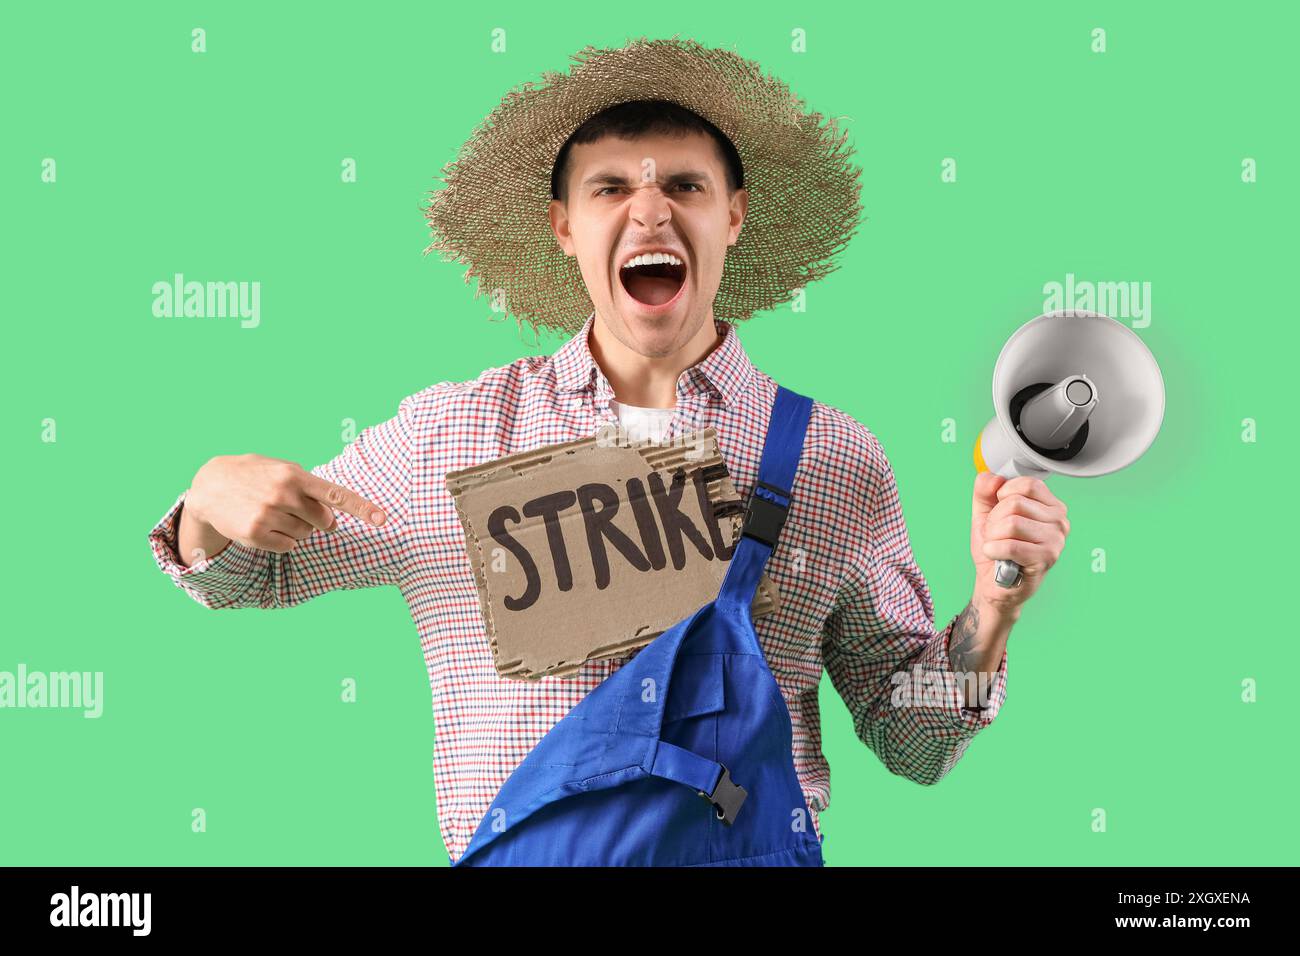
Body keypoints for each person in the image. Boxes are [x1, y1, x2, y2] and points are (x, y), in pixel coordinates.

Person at [148, 37, 1069, 865]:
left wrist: (995, 606)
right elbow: (252, 577)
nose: (650, 211)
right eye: (612, 189)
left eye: (684, 186)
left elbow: (912, 743)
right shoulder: (453, 435)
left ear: (734, 217)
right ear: (565, 228)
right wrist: (208, 500)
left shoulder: (834, 457)